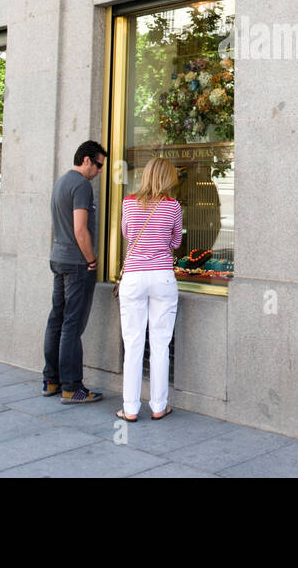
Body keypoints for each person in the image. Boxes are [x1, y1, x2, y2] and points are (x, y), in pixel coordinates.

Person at [117, 158, 183, 422]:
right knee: (160, 344)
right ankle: (158, 405)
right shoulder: (173, 207)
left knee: (133, 344)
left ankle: (130, 409)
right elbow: (176, 242)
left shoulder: (128, 202)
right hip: (163, 277)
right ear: (169, 179)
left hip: (133, 276)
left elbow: (127, 235)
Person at [43, 140, 107, 404]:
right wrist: (92, 260)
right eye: (99, 165)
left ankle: (51, 380)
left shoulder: (61, 181)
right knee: (72, 323)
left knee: (56, 319)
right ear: (87, 160)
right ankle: (72, 387)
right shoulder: (82, 185)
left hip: (58, 257)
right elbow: (81, 229)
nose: (100, 171)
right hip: (76, 263)